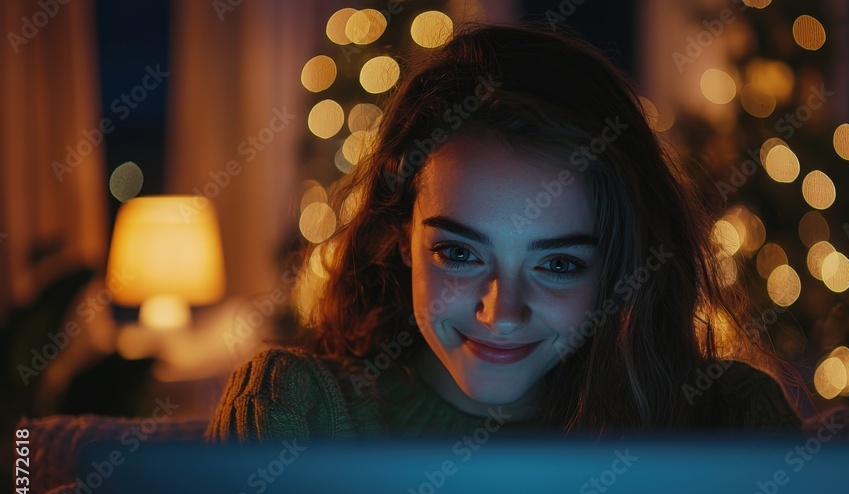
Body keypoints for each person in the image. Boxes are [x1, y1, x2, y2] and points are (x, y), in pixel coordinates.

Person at [206, 22, 802, 444]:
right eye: (459, 253)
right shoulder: (293, 410)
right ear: (399, 238)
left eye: (559, 263)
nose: (502, 312)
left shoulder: (729, 418)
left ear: (622, 267)